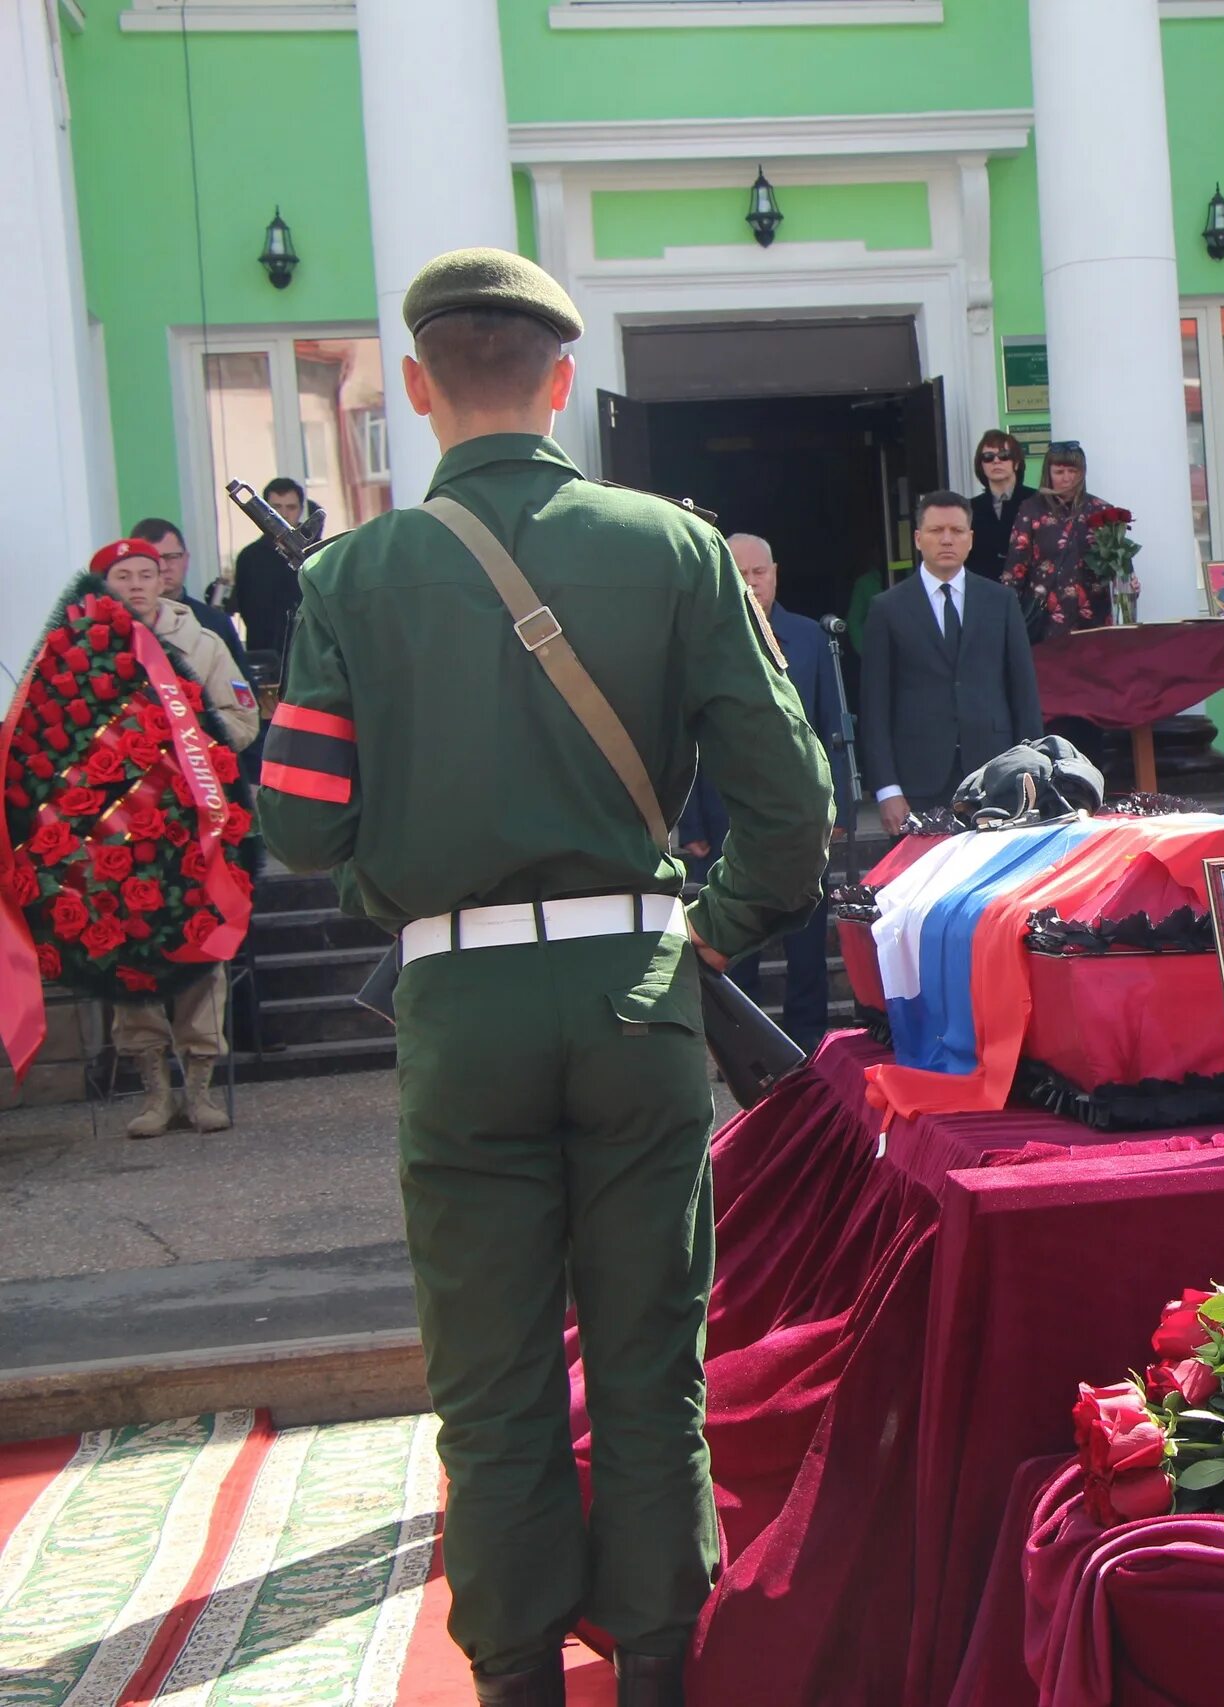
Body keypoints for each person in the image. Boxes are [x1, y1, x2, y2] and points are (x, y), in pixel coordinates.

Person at [256, 247, 834, 1707]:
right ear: (563, 383)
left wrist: (407, 846)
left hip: (458, 1007)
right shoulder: (676, 545)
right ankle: (658, 1665)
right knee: (650, 1354)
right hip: (639, 990)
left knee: (492, 1370)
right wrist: (715, 923)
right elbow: (791, 800)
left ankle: (514, 1673)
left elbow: (301, 822)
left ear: (416, 387)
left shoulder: (349, 573)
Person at [92, 537, 259, 1139]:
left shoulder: (203, 645)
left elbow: (243, 721)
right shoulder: (84, 653)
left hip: (191, 825)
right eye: (122, 576)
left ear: (165, 578)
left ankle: (199, 1088)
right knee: (128, 950)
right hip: (116, 832)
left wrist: (184, 749)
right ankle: (153, 1090)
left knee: (198, 946)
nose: (136, 584)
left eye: (147, 572)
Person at [677, 533, 855, 1051]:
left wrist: (838, 805)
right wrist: (691, 824)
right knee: (733, 946)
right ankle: (737, 1045)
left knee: (806, 946)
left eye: (760, 573)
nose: (752, 583)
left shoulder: (809, 639)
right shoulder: (700, 638)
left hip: (801, 821)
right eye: (741, 574)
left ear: (775, 573)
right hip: (724, 817)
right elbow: (681, 738)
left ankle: (809, 1049)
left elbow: (830, 728)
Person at [860, 489, 1044, 833]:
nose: (947, 539)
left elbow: (1023, 695)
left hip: (996, 774)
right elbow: (874, 708)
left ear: (970, 539)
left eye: (957, 531)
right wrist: (887, 789)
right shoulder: (887, 609)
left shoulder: (1000, 603)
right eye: (936, 531)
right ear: (918, 538)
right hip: (918, 779)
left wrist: (1031, 774)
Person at [1001, 440, 1114, 640]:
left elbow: (1117, 564)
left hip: (1093, 620)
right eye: (1059, 472)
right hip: (1047, 621)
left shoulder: (1101, 510)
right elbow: (1015, 568)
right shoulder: (1032, 509)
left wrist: (1127, 581)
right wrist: (1007, 618)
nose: (1067, 478)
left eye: (1073, 471)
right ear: (1048, 474)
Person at [130, 518, 253, 683]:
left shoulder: (215, 623)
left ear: (186, 558)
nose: (164, 567)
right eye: (154, 559)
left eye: (171, 557)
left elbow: (243, 692)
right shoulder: (116, 625)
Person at [229, 476, 315, 655]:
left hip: (312, 651)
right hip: (267, 654)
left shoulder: (318, 553)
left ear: (301, 510)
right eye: (276, 508)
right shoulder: (250, 557)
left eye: (291, 507)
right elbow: (248, 610)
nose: (284, 514)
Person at [967, 428, 1032, 582]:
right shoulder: (969, 508)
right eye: (988, 457)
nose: (996, 461)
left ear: (1016, 463)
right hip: (985, 593)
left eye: (1004, 456)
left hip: (1030, 596)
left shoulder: (1037, 501)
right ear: (981, 465)